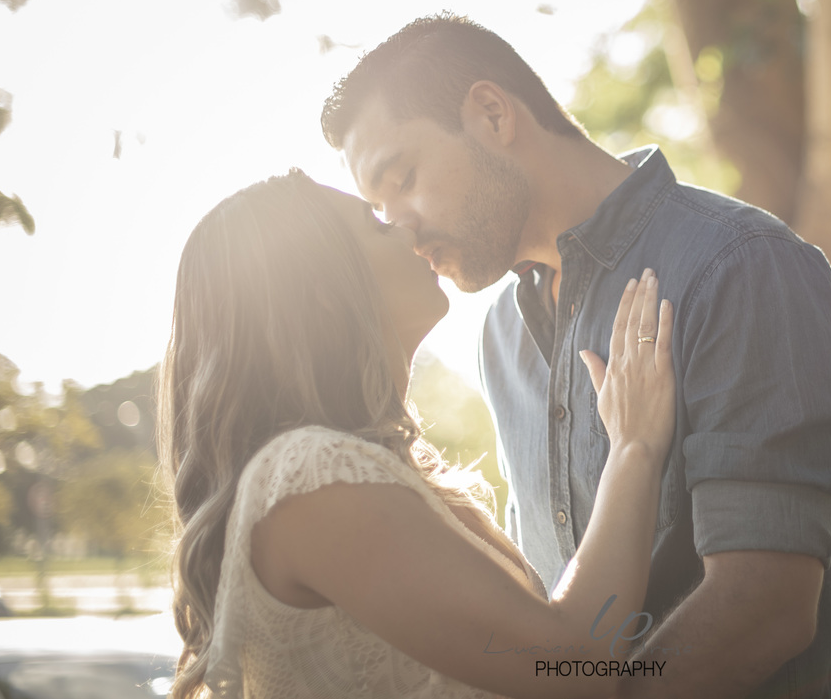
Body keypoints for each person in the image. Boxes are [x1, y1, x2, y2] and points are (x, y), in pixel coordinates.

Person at [320, 13, 831, 698]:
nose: (402, 230)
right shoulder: (501, 336)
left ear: (492, 113)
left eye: (403, 177)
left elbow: (768, 604)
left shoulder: (739, 267)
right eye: (380, 209)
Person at [157, 168, 678, 699]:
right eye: (377, 225)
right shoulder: (309, 475)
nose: (406, 228)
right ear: (323, 292)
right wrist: (633, 447)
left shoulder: (381, 468)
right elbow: (573, 667)